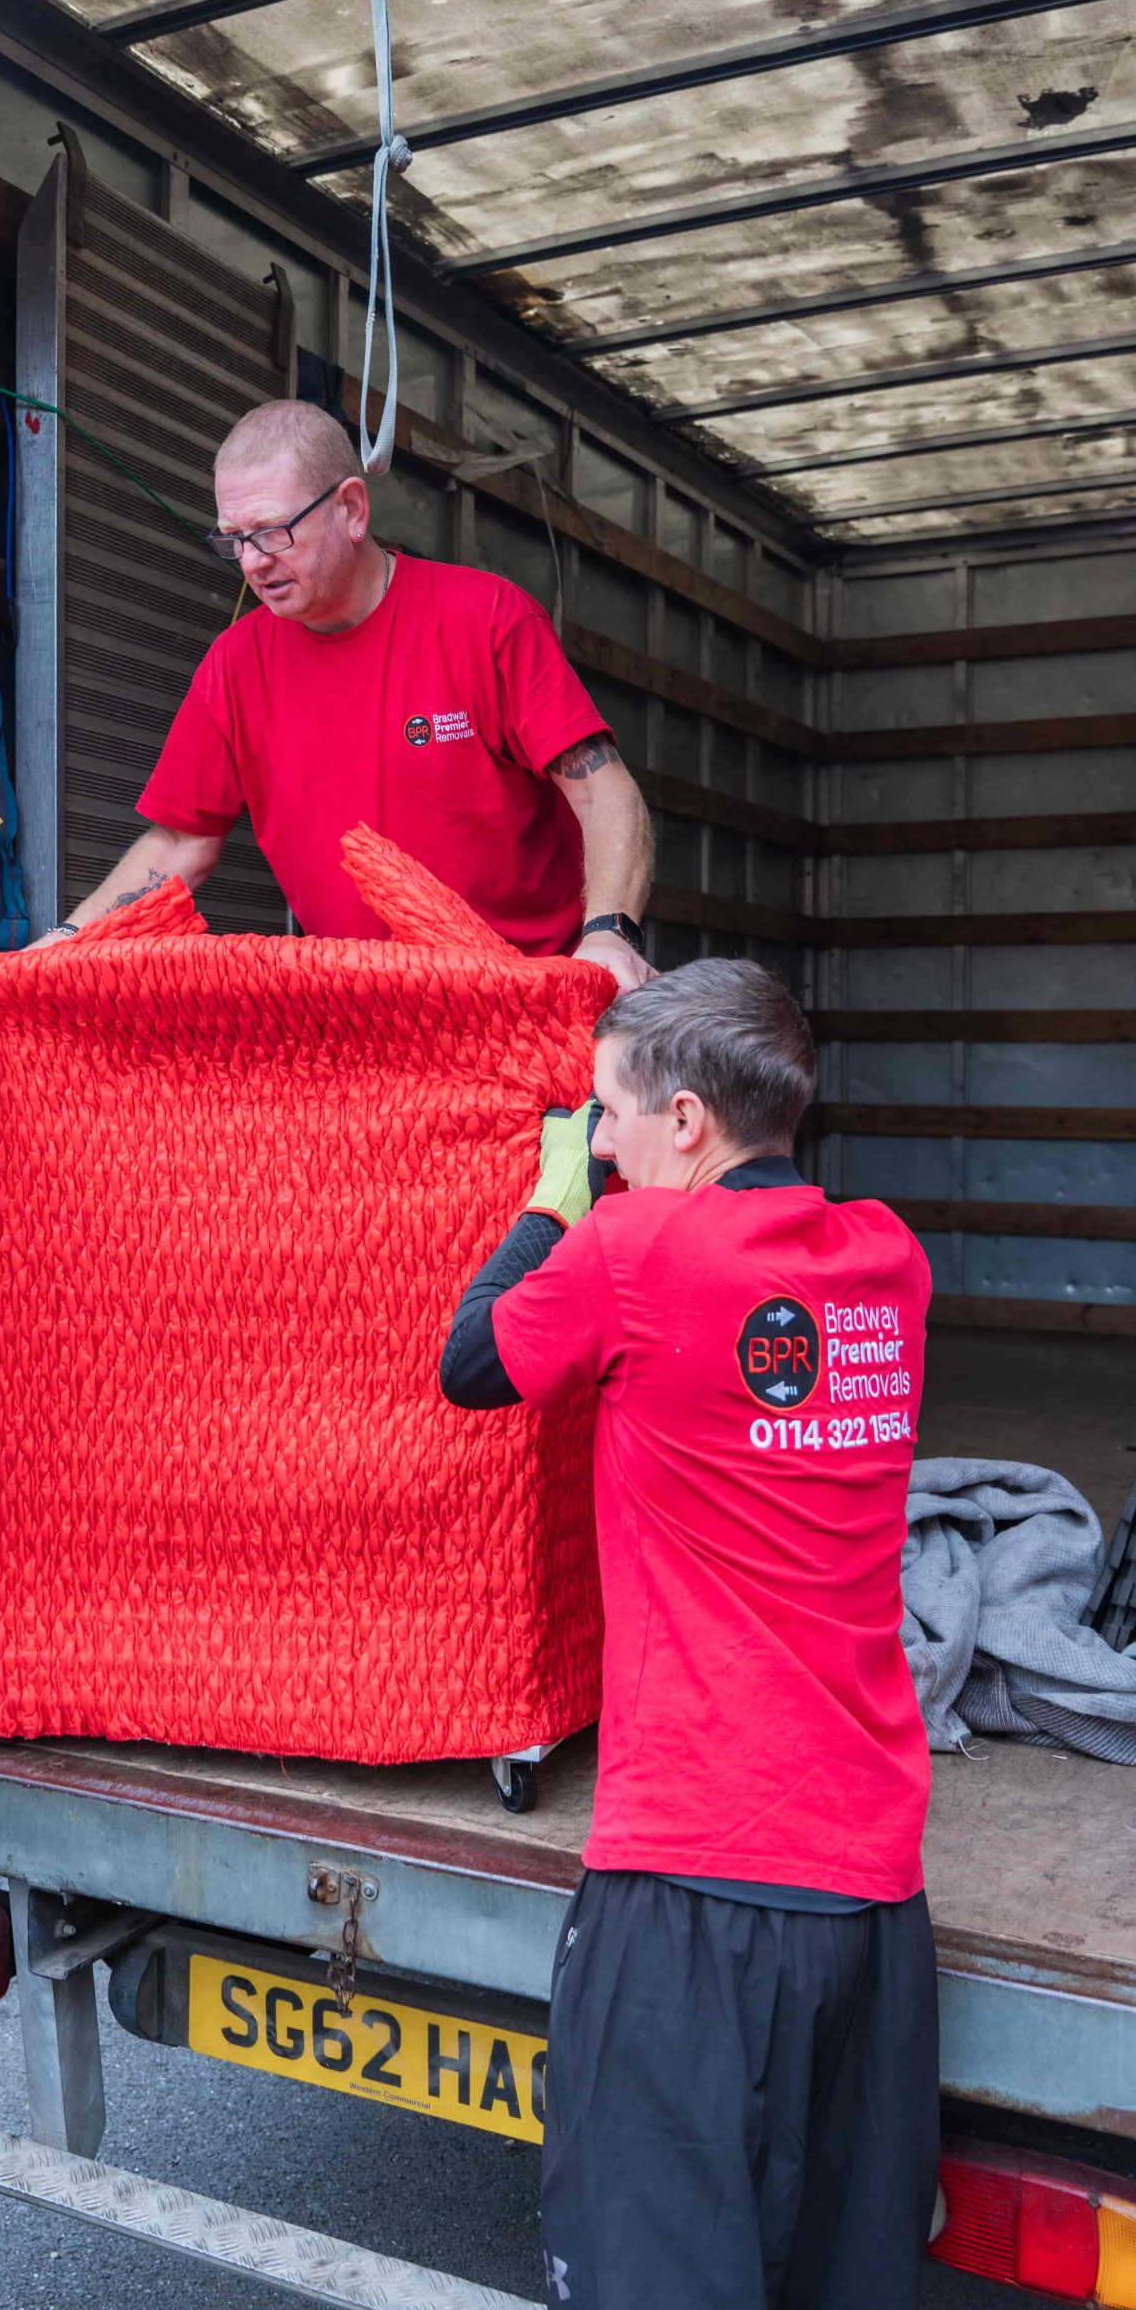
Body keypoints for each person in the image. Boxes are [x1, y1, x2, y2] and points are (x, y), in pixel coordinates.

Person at [440, 960, 937, 2310]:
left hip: (692, 1883)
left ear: (683, 1121)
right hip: (870, 1893)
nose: (599, 1142)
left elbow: (471, 1362)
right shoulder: (890, 1263)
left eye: (606, 1114)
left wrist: (551, 1205)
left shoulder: (631, 1252)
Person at [42, 399, 656, 986]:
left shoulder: (488, 618)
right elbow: (182, 842)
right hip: (359, 1008)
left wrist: (608, 935)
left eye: (272, 532)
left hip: (525, 992)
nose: (251, 562)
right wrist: (64, 942)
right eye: (233, 538)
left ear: (352, 510)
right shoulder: (234, 665)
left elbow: (602, 791)